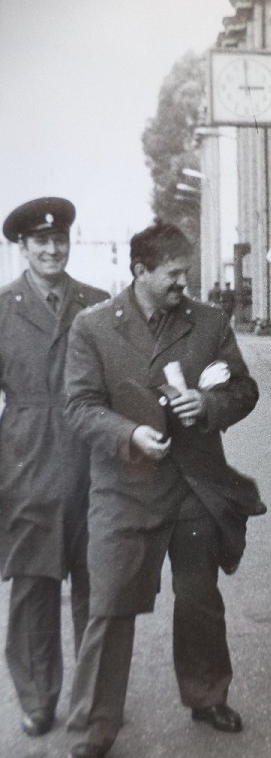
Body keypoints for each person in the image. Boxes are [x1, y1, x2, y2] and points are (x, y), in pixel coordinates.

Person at [64, 220, 262, 758]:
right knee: (110, 604)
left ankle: (207, 695)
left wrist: (209, 405)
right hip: (123, 489)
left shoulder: (209, 321)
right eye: (173, 274)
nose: (183, 283)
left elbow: (244, 390)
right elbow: (79, 407)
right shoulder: (93, 327)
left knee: (199, 597)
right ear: (140, 271)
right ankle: (95, 725)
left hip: (193, 485)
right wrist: (128, 434)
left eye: (186, 272)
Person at [0, 197, 109, 738]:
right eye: (40, 241)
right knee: (33, 586)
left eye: (59, 239)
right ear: (23, 247)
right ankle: (39, 699)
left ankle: (93, 699)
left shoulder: (98, 304)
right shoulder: (2, 308)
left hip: (93, 461)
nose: (51, 249)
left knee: (96, 585)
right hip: (26, 462)